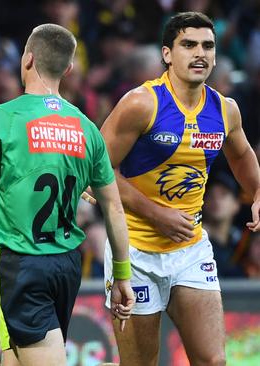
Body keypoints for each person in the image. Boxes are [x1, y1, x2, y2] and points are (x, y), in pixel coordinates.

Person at [0, 24, 135, 366]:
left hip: (21, 263)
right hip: (66, 264)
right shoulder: (87, 128)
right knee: (17, 358)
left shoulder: (2, 118)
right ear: (68, 69)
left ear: (28, 59)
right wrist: (122, 273)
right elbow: (114, 208)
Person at [100, 12, 260, 366]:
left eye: (207, 45)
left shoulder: (225, 109)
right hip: (134, 252)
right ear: (167, 54)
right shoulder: (141, 103)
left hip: (190, 250)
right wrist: (156, 214)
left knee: (214, 361)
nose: (199, 53)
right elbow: (94, 173)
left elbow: (243, 155)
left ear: (216, 56)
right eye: (188, 44)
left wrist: (258, 192)